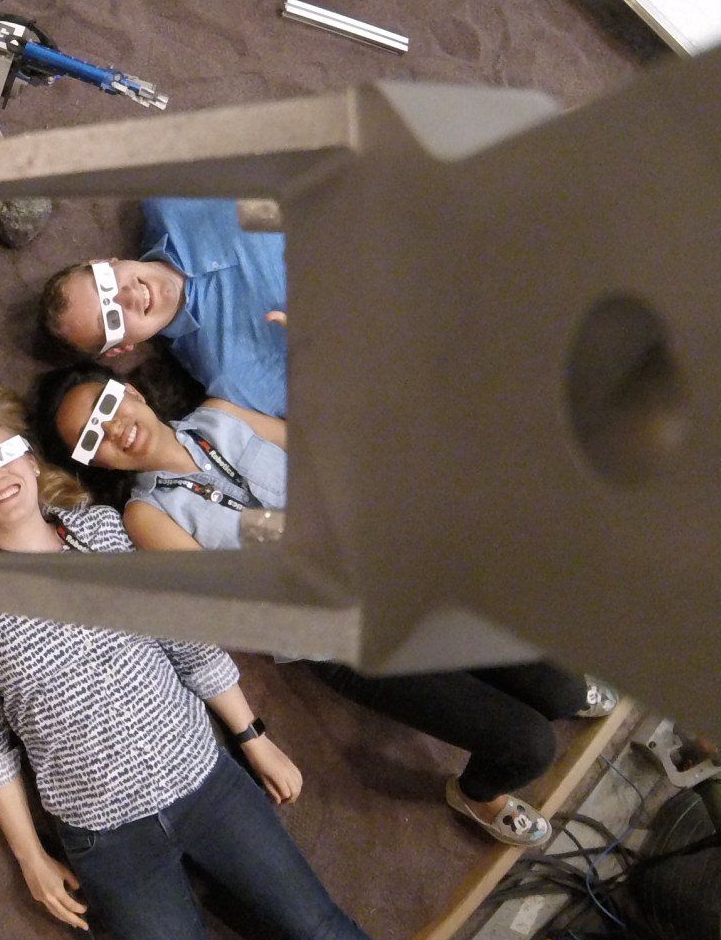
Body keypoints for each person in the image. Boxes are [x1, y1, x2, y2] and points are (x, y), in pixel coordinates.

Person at [0, 390, 479, 940]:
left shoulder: (104, 532)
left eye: (1, 454)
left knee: (326, 933)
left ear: (30, 463)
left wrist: (254, 740)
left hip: (206, 784)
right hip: (105, 839)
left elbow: (187, 642)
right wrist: (31, 858)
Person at [34, 363, 616, 849]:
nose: (113, 429)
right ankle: (475, 795)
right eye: (91, 438)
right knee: (527, 744)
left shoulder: (222, 414)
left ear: (130, 389)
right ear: (94, 463)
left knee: (561, 691)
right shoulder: (146, 515)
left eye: (108, 405)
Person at [39, 198, 288, 416]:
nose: (128, 296)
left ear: (103, 262)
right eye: (112, 320)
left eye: (106, 283)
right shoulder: (232, 375)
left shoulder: (174, 199)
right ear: (121, 348)